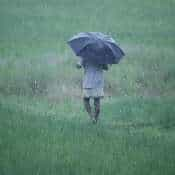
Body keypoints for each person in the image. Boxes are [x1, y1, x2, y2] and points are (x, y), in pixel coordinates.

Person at [76, 58, 108, 123]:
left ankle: (91, 116)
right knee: (97, 101)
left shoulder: (85, 55)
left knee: (86, 99)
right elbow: (106, 68)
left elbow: (78, 66)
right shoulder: (101, 56)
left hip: (88, 81)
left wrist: (79, 64)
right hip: (98, 82)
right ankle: (95, 118)